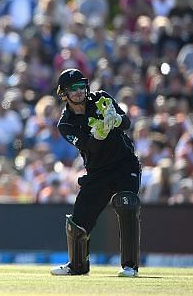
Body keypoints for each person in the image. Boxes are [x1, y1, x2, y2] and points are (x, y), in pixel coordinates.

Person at [50, 68, 141, 277]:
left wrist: (116, 120)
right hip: (97, 172)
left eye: (81, 86)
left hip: (124, 165)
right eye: (73, 89)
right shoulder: (66, 124)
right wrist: (99, 132)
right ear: (64, 94)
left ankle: (130, 266)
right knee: (77, 223)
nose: (79, 91)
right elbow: (90, 147)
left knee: (126, 203)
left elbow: (126, 122)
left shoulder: (101, 98)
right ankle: (77, 266)